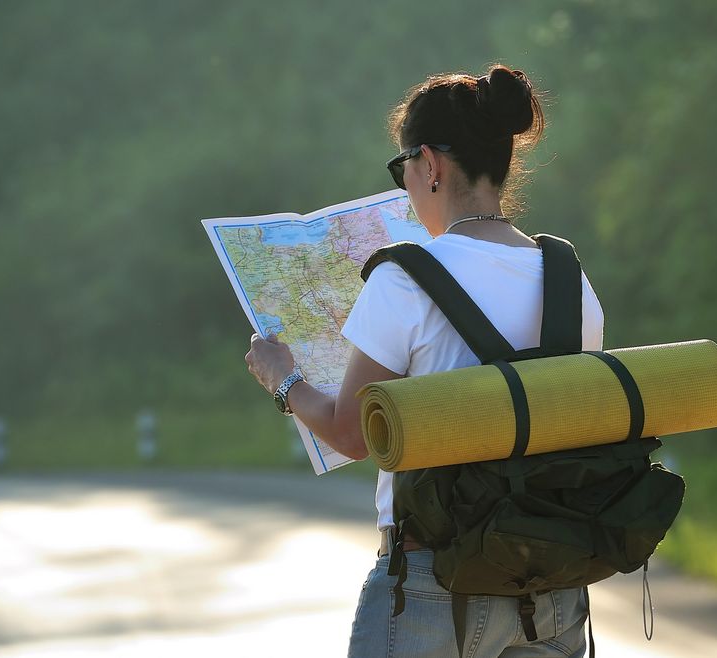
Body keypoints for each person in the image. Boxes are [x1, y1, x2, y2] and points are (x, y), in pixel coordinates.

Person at [244, 64, 605, 657]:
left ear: (430, 165)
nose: (406, 185)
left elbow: (351, 435)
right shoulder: (571, 280)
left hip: (433, 585)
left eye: (403, 168)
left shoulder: (404, 281)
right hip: (553, 585)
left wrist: (284, 381)